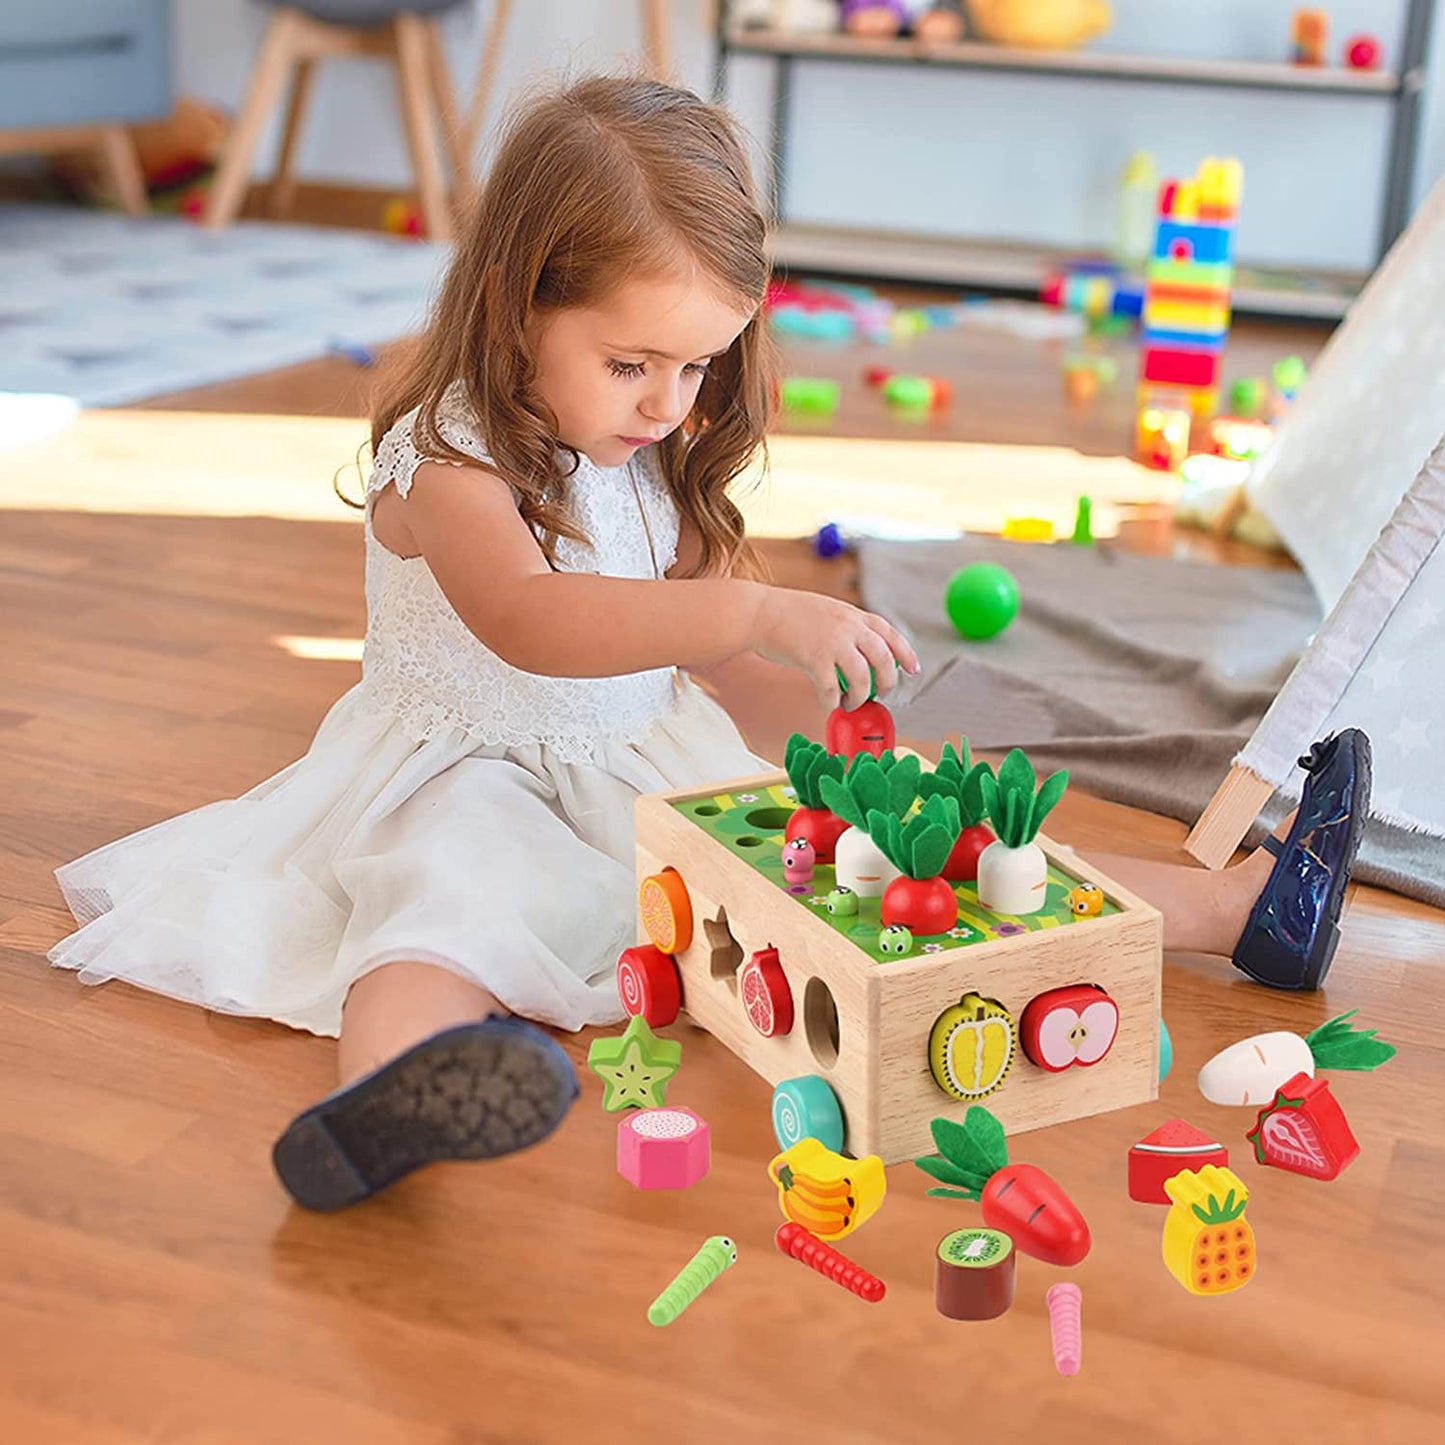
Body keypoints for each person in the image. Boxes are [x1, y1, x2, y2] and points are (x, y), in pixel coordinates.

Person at [46, 75, 1371, 1214]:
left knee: (893, 861)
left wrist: (801, 718)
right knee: (433, 915)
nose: (669, 404)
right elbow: (536, 618)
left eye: (697, 369)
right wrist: (747, 611)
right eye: (633, 365)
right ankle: (392, 1099)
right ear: (515, 301)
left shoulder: (641, 441)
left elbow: (684, 620)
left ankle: (1238, 907)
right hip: (466, 775)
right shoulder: (446, 454)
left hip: (635, 766)